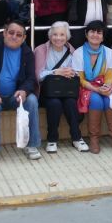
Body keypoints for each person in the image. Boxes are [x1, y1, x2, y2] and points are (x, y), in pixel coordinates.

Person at [0, 20, 42, 165]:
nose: (14, 37)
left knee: (31, 100)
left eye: (19, 35)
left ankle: (32, 145)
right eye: (11, 33)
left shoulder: (27, 53)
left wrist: (24, 90)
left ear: (24, 38)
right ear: (4, 33)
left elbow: (32, 78)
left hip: (15, 96)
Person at [34, 21, 88, 154]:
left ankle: (77, 137)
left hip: (66, 91)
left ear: (67, 36)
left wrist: (71, 72)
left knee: (70, 102)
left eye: (62, 34)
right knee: (54, 103)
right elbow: (38, 76)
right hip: (47, 92)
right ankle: (52, 139)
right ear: (50, 36)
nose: (58, 38)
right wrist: (55, 72)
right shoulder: (41, 50)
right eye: (55, 34)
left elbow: (77, 72)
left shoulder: (71, 51)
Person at [71, 20, 112, 154]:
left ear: (103, 36)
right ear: (86, 34)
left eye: (99, 32)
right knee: (96, 100)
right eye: (92, 31)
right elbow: (80, 79)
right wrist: (96, 89)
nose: (95, 35)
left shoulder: (109, 52)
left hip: (104, 85)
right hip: (86, 87)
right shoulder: (78, 53)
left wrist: (108, 87)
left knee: (110, 99)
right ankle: (94, 138)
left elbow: (109, 75)